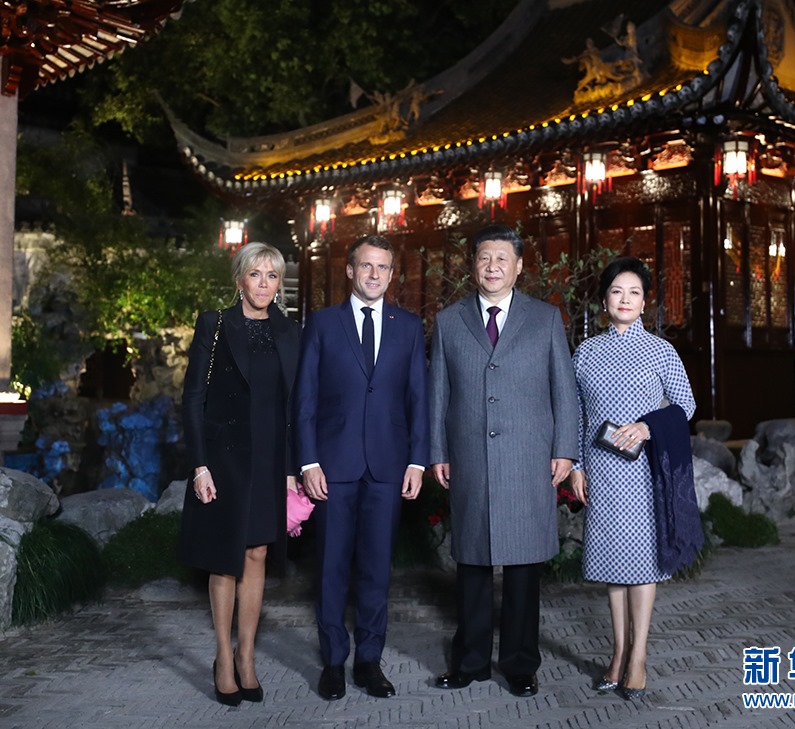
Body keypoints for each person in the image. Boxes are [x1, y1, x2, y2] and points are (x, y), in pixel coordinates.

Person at [429, 224, 580, 698]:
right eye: (483, 258)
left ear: (518, 266)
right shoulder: (449, 321)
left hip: (528, 459)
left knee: (522, 569)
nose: (492, 267)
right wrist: (437, 451)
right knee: (472, 564)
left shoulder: (545, 318)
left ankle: (520, 663)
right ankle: (470, 661)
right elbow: (438, 393)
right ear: (472, 266)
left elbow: (564, 390)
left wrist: (565, 449)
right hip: (470, 457)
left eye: (501, 259)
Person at [295, 234, 429, 701]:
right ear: (350, 271)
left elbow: (418, 397)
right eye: (366, 266)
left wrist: (417, 460)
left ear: (392, 275)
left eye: (383, 267)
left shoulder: (408, 326)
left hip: (389, 466)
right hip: (333, 466)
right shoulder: (322, 323)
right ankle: (333, 661)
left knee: (376, 569)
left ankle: (369, 661)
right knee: (331, 567)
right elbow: (305, 398)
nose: (375, 274)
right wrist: (308, 460)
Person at [569, 256, 699, 701]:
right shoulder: (586, 352)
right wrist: (577, 467)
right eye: (616, 292)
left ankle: (638, 656)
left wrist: (647, 426)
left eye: (634, 293)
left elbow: (685, 405)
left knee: (642, 564)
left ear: (645, 303)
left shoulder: (661, 351)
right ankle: (618, 652)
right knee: (613, 564)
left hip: (644, 471)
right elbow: (577, 415)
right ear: (604, 300)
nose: (625, 300)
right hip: (602, 471)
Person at [179, 242, 302, 706]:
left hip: (269, 459)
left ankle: (246, 655)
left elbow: (294, 406)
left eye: (272, 276)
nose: (264, 284)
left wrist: (291, 469)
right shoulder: (214, 325)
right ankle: (222, 658)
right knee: (225, 558)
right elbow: (193, 398)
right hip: (223, 459)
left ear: (279, 284)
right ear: (239, 280)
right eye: (256, 274)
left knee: (257, 554)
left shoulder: (290, 331)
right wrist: (199, 466)